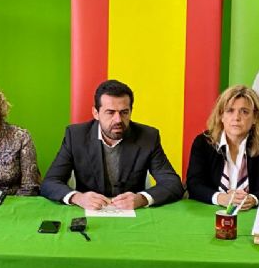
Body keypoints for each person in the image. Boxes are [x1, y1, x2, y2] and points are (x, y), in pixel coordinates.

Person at [41, 79, 184, 210]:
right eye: (110, 112)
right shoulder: (76, 136)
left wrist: (142, 199)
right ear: (96, 113)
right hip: (89, 213)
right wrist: (78, 198)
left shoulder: (148, 137)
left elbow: (173, 183)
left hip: (134, 215)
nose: (118, 120)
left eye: (124, 112)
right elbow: (50, 182)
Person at [186, 85, 259, 210]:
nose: (236, 118)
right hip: (211, 212)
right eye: (230, 111)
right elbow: (194, 184)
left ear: (255, 117)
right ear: (221, 116)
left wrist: (254, 199)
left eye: (244, 112)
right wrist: (220, 198)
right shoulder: (203, 142)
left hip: (252, 214)